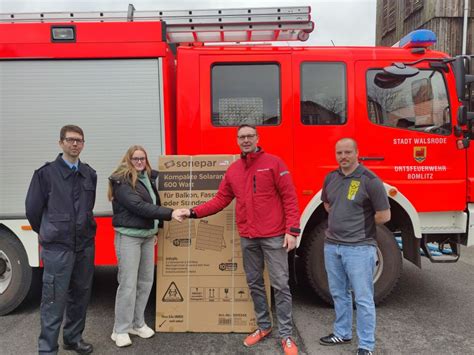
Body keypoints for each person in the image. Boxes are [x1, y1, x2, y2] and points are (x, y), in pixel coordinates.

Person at [179, 124, 301, 355]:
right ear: (237, 140)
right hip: (248, 237)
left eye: (249, 136)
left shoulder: (274, 163)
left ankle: (286, 336)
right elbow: (220, 200)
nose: (246, 140)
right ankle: (264, 326)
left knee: (280, 286)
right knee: (255, 283)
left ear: (257, 138)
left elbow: (290, 197)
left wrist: (292, 230)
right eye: (242, 137)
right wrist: (193, 212)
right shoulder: (234, 170)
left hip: (274, 236)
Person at [25, 125, 97, 355]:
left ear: (83, 144)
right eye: (70, 140)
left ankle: (73, 339)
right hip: (58, 249)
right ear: (61, 143)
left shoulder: (89, 173)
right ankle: (47, 349)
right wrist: (50, 230)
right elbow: (33, 211)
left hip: (84, 246)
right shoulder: (45, 174)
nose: (75, 144)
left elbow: (88, 208)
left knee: (80, 296)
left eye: (79, 140)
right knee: (53, 300)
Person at [108, 145, 186, 348]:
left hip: (147, 237)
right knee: (127, 284)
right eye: (135, 158)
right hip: (129, 238)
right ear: (128, 160)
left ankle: (137, 323)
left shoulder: (147, 177)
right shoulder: (122, 181)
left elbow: (156, 196)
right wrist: (171, 213)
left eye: (142, 158)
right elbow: (139, 206)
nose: (140, 161)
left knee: (145, 282)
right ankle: (120, 329)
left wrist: (155, 230)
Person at [319, 138, 391, 355]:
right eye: (339, 153)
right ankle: (342, 333)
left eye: (348, 152)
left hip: (359, 248)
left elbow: (384, 215)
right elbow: (327, 203)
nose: (343, 157)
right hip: (332, 246)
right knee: (339, 294)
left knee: (363, 298)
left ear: (357, 153)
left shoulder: (370, 180)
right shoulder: (330, 177)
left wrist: (359, 224)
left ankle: (366, 345)